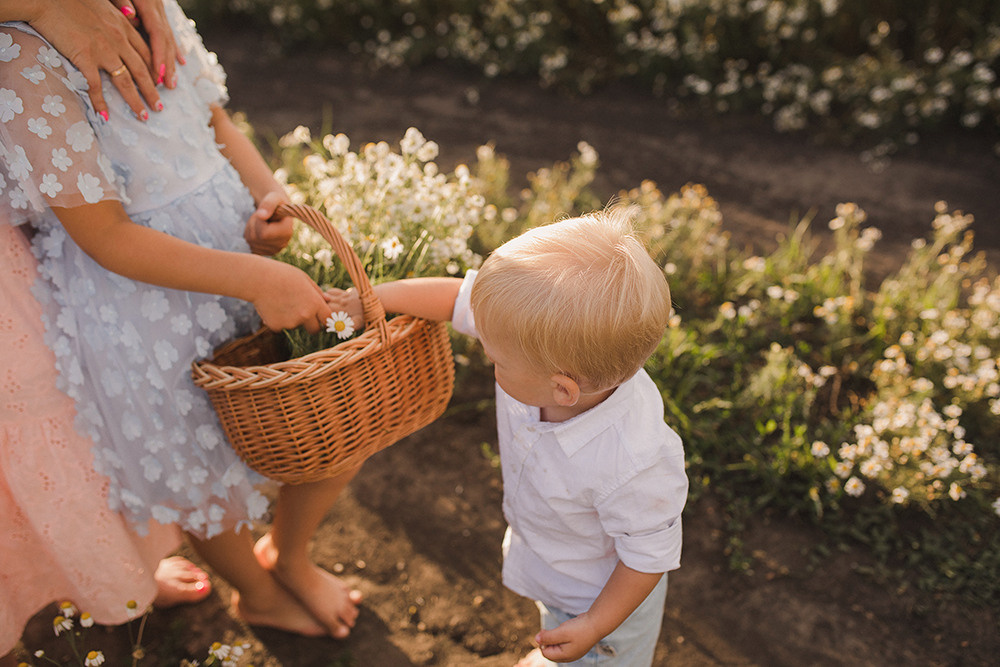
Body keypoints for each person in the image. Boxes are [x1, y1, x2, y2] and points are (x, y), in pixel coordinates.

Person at [1, 0, 361, 643]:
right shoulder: (24, 57)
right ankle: (254, 591)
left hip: (235, 249)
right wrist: (259, 277)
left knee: (328, 420)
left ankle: (292, 554)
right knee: (198, 462)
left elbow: (215, 121)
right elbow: (105, 236)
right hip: (139, 305)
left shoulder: (148, 8)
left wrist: (267, 200)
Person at [327, 208, 689, 665]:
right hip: (554, 568)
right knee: (556, 632)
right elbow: (459, 297)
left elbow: (646, 558)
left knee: (587, 656)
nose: (486, 353)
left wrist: (593, 626)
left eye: (495, 359)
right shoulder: (537, 345)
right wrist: (373, 300)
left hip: (601, 608)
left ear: (562, 388)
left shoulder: (635, 462)